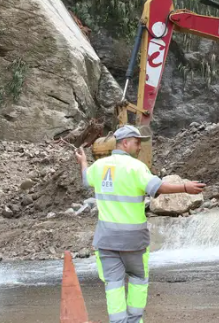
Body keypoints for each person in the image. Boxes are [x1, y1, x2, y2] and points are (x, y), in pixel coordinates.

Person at [75, 125, 205, 323]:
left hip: (106, 241)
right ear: (125, 143)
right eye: (136, 143)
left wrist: (83, 162)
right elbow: (158, 187)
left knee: (113, 284)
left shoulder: (100, 167)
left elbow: (86, 179)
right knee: (137, 280)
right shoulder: (135, 167)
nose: (139, 147)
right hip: (133, 241)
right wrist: (185, 187)